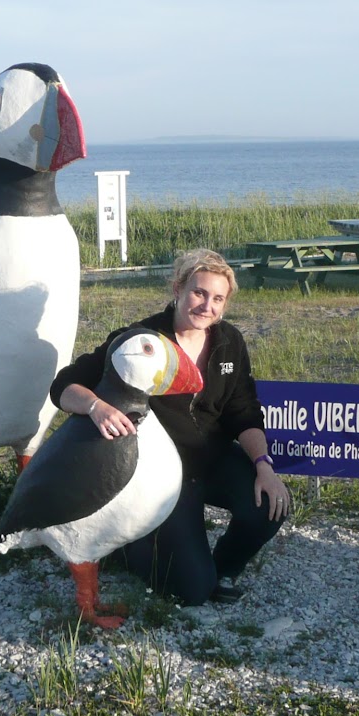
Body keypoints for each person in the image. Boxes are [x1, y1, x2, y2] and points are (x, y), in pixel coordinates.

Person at [49, 248, 291, 605]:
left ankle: (220, 569)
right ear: (177, 289)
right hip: (162, 477)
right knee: (190, 591)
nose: (207, 305)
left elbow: (245, 412)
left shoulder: (229, 343)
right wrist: (96, 407)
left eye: (218, 298)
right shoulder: (141, 339)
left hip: (212, 459)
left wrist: (263, 466)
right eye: (199, 292)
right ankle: (127, 548)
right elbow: (64, 385)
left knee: (271, 505)